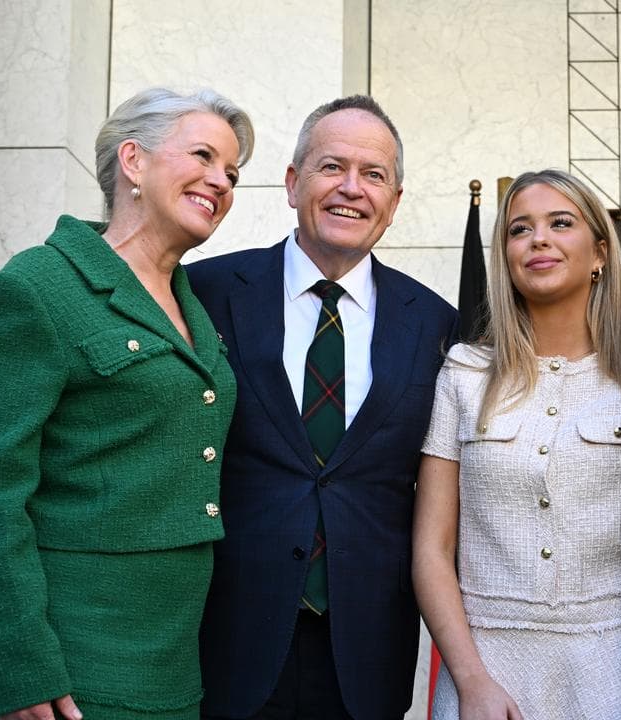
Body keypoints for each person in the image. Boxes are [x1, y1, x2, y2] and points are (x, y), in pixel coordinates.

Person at [0, 87, 253, 720]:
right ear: (134, 161)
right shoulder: (36, 288)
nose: (221, 181)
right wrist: (20, 667)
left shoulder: (192, 302)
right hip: (68, 657)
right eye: (203, 155)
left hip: (171, 661)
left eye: (232, 171)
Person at [186, 94, 458, 720]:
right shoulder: (206, 293)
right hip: (223, 638)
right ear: (292, 182)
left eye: (374, 175)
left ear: (393, 202)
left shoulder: (438, 326)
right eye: (332, 167)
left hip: (365, 653)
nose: (352, 189)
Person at [414, 169, 621, 720]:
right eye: (519, 229)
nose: (538, 239)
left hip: (617, 667)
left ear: (600, 254)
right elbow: (431, 551)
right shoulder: (464, 374)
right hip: (487, 673)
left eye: (560, 223)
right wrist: (472, 682)